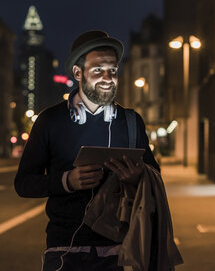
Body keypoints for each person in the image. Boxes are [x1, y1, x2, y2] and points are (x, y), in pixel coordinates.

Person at [14, 30, 161, 271]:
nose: (108, 77)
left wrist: (136, 178)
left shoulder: (131, 121)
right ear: (77, 72)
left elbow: (154, 175)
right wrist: (66, 181)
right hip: (64, 251)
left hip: (118, 250)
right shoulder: (50, 121)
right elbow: (23, 183)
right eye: (98, 70)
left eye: (113, 70)